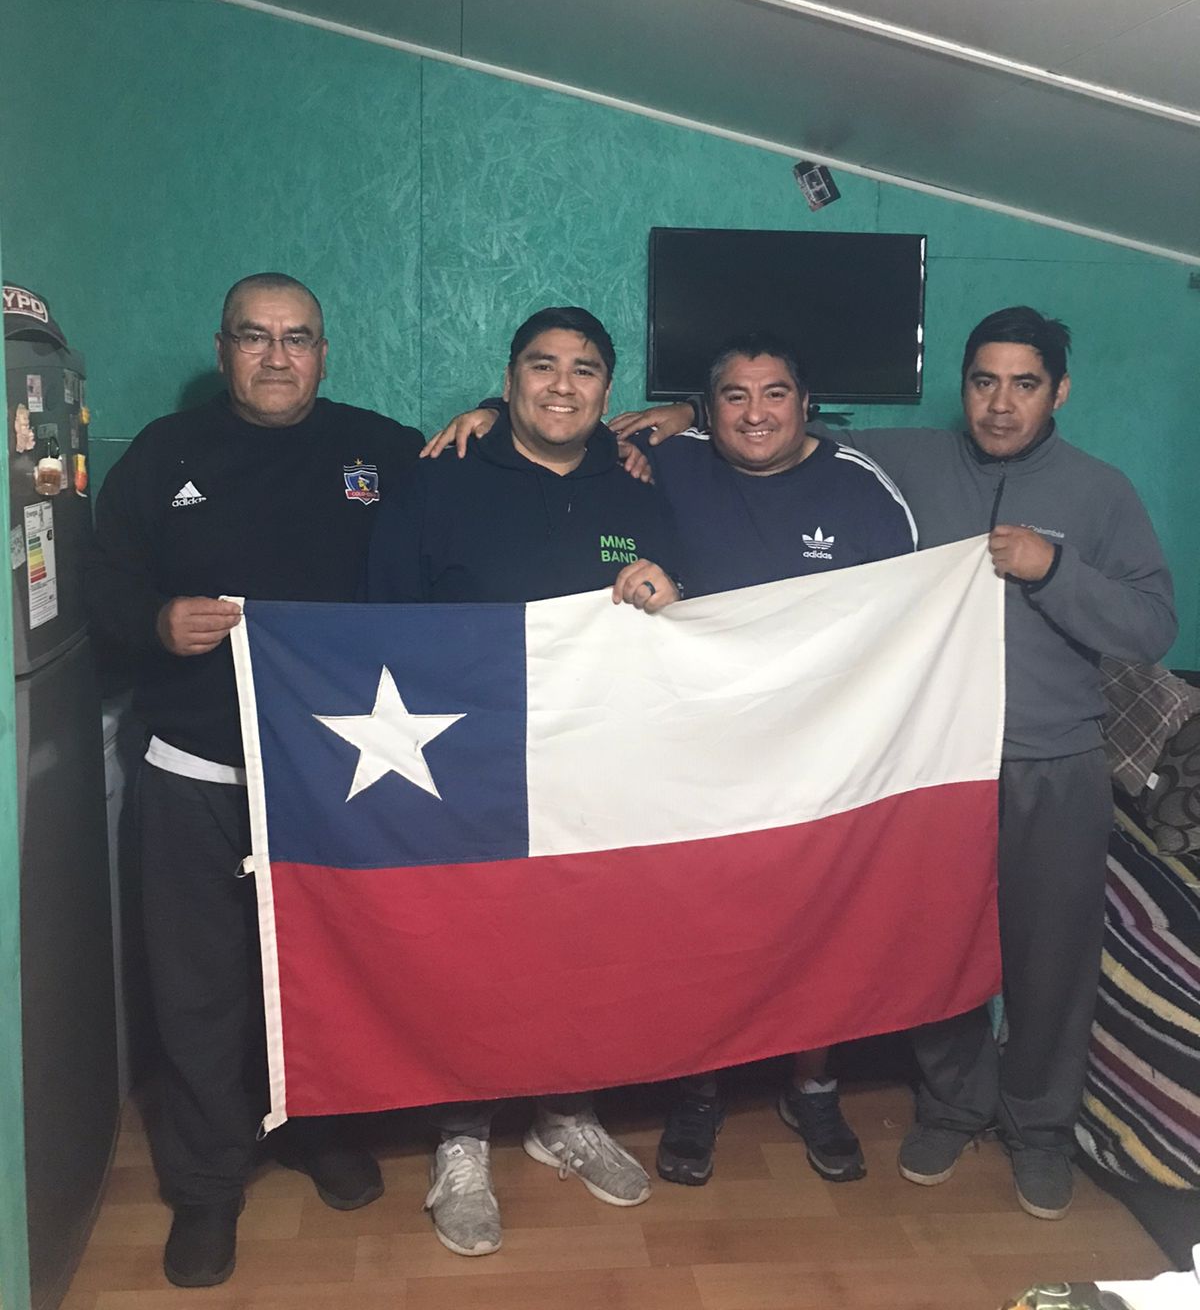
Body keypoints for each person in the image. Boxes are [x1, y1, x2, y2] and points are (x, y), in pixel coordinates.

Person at [602, 304, 1178, 1221]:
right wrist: (684, 416)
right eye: (983, 381)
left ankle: (1039, 1133)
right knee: (932, 945)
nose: (999, 403)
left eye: (1023, 384)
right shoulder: (909, 461)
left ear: (1058, 391)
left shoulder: (1099, 492)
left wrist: (1053, 569)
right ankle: (954, 1107)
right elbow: (790, 431)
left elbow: (1153, 628)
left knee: (1050, 957)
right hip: (928, 758)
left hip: (1051, 760)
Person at [421, 330, 917, 1188]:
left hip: (821, 743)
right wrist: (491, 411)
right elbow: (560, 413)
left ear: (807, 404)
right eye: (733, 397)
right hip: (698, 746)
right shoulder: (663, 461)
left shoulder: (861, 486)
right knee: (704, 922)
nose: (755, 413)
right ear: (706, 411)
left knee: (818, 915)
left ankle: (815, 1083)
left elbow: (911, 615)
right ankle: (700, 1086)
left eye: (775, 394)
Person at [85, 273, 424, 1289]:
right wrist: (156, 622)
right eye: (254, 337)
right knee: (198, 985)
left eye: (298, 338)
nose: (277, 357)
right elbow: (96, 582)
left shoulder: (385, 451)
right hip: (195, 765)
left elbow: (492, 482)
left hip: (333, 777)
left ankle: (320, 1132)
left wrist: (638, 428)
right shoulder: (161, 454)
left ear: (328, 351)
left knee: (325, 969)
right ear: (223, 347)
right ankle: (206, 1186)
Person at [367, 306, 680, 1258]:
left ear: (607, 390)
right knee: (470, 947)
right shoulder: (438, 481)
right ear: (506, 379)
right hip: (462, 764)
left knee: (579, 940)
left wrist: (670, 598)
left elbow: (676, 635)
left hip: (592, 768)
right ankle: (462, 1135)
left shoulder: (638, 492)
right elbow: (380, 621)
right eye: (541, 366)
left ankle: (564, 1112)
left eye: (584, 370)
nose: (561, 385)